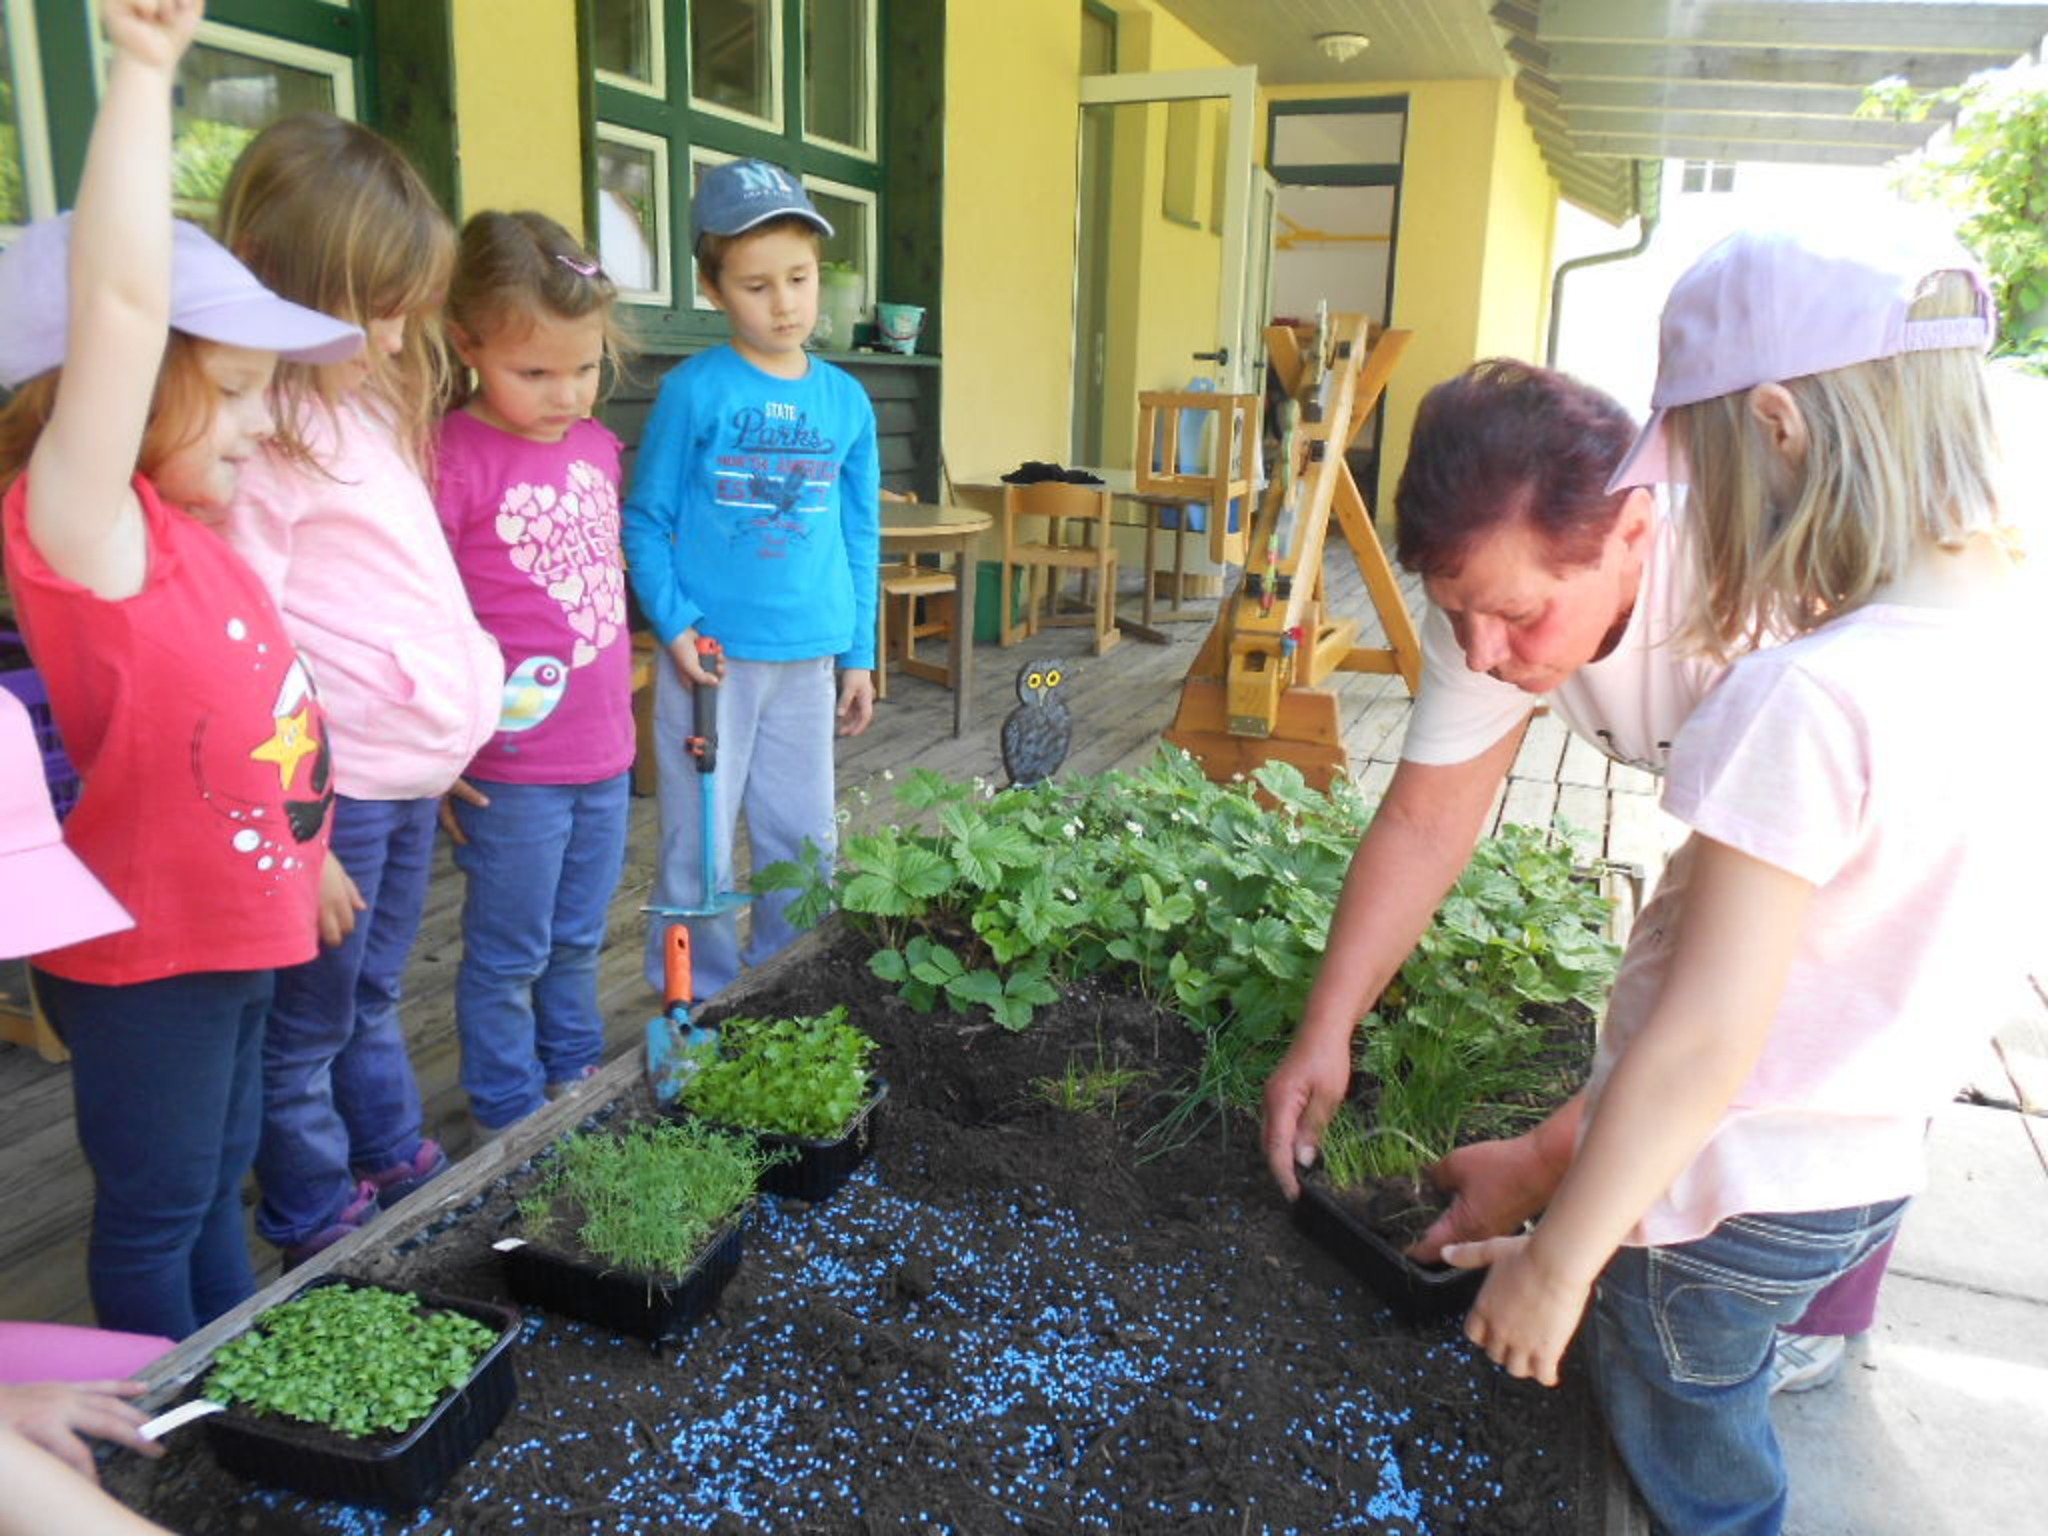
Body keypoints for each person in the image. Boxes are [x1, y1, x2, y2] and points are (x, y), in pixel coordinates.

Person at [1442, 221, 2038, 1534]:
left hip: (1726, 1202)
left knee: (1692, 1448)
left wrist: (1562, 1264)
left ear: (1778, 429)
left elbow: (1705, 1044)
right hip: (1861, 1179)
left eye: (1703, 476)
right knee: (1716, 1355)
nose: (1698, 519)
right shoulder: (2007, 649)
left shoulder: (1804, 697)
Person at [1259, 356, 1886, 1391]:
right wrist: (1324, 1029)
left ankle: (1825, 1300)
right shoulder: (1485, 603)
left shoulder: (1762, 612)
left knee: (1823, 1093)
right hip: (1755, 801)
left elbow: (1763, 981)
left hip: (1882, 850)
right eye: (1455, 612)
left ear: (1634, 531)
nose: (1482, 652)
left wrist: (1554, 1159)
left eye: (1517, 616)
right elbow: (1424, 822)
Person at [0, 0, 361, 1338]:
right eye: (243, 387)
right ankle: (152, 1427)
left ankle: (223, 1397)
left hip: (236, 932)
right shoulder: (89, 531)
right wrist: (145, 71)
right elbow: (120, 300)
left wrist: (308, 858)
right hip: (142, 960)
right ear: (129, 385)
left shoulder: (196, 538)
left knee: (218, 1186)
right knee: (159, 1211)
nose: (266, 424)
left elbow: (262, 736)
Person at [214, 114, 504, 1265]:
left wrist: (441, 743)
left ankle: (383, 1150)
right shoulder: (260, 443)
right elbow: (243, 649)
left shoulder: (366, 408)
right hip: (329, 796)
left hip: (397, 778)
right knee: (304, 1023)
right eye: (372, 309)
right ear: (282, 285)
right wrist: (302, 835)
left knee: (369, 991)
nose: (393, 336)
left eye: (402, 309)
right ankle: (309, 1211)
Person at [622, 158, 879, 1002]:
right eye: (756, 285)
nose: (784, 304)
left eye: (799, 279)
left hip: (810, 658)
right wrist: (676, 626)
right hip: (711, 663)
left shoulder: (847, 402)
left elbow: (859, 533)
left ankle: (788, 991)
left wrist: (859, 653)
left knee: (803, 843)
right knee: (697, 845)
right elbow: (646, 520)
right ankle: (694, 1001)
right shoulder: (693, 391)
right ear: (712, 288)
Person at [435, 211, 633, 1134]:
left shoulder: (596, 446)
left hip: (606, 752)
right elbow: (427, 618)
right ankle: (508, 1117)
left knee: (581, 936)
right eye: (535, 373)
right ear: (466, 343)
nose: (566, 394)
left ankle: (573, 1074)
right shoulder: (450, 457)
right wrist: (442, 749)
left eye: (585, 369)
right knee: (509, 953)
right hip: (508, 768)